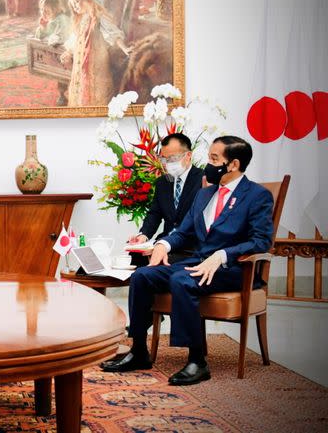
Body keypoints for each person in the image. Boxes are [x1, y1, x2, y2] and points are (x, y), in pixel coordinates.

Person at [102, 136, 274, 385]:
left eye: (214, 159)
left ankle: (197, 361)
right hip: (199, 262)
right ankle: (139, 350)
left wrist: (222, 255)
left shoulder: (257, 195)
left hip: (234, 268)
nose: (209, 164)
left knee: (182, 279)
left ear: (233, 164)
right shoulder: (206, 194)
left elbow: (261, 241)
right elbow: (184, 231)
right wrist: (163, 244)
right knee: (142, 276)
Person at [126, 133, 205, 266]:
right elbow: (155, 214)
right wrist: (143, 235)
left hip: (191, 245)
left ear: (188, 155)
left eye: (173, 158)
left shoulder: (203, 180)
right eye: (165, 159)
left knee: (161, 263)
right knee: (136, 256)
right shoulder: (163, 182)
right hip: (165, 240)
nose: (169, 163)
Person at [66, 0, 129, 106]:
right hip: (81, 61)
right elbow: (75, 38)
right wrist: (68, 52)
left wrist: (124, 48)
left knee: (97, 87)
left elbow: (113, 34)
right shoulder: (82, 19)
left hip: (97, 60)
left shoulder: (99, 18)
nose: (75, 7)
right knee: (82, 85)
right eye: (73, 5)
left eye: (77, 2)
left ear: (87, 0)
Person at [35, 0, 73, 105]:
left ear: (56, 10)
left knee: (63, 72)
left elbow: (62, 36)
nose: (43, 13)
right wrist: (42, 27)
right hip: (59, 50)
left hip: (66, 49)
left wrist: (49, 36)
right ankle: (62, 92)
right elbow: (41, 36)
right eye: (42, 10)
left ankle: (63, 94)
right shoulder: (52, 21)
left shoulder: (61, 20)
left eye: (47, 11)